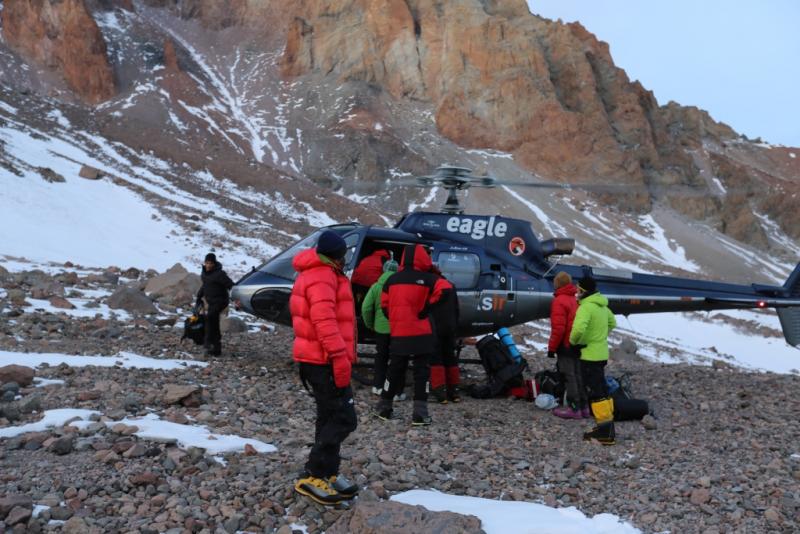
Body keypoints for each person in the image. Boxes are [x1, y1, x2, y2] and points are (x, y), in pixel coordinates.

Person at [289, 230, 359, 505]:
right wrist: (339, 355)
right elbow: (324, 320)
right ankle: (314, 473)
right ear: (339, 256)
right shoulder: (322, 275)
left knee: (329, 415)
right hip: (324, 359)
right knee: (344, 418)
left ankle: (327, 472)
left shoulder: (317, 271)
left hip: (317, 358)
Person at [375, 244, 447, 426]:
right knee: (421, 373)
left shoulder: (392, 280)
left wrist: (393, 318)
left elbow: (384, 305)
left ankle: (384, 408)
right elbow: (446, 289)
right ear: (423, 258)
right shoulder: (429, 279)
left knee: (394, 370)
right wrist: (427, 308)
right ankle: (419, 414)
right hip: (422, 333)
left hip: (399, 332)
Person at [570, 276, 617, 445]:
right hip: (601, 353)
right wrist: (599, 336)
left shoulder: (586, 308)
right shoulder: (602, 306)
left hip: (588, 355)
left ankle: (605, 433)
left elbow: (578, 329)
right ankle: (606, 427)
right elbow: (613, 323)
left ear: (583, 291)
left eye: (578, 289)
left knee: (596, 393)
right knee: (602, 390)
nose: (576, 292)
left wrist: (575, 342)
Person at [547, 272, 588, 419]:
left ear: (557, 283)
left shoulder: (559, 301)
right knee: (578, 375)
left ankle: (574, 408)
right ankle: (584, 407)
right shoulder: (575, 300)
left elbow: (559, 328)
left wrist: (552, 348)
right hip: (577, 344)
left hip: (566, 345)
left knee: (569, 375)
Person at [361, 258, 403, 396]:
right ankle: (395, 391)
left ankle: (378, 386)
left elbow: (366, 308)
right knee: (397, 359)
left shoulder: (376, 286)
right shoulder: (401, 287)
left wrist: (369, 324)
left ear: (383, 270)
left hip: (380, 329)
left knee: (381, 357)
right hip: (398, 329)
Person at [429, 268, 461, 404]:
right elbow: (456, 309)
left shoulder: (430, 285)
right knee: (450, 357)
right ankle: (454, 391)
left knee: (436, 359)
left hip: (435, 327)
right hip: (450, 327)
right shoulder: (450, 285)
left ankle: (440, 392)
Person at [195, 252, 234, 357]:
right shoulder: (204, 273)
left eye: (210, 263)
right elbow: (205, 285)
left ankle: (208, 344)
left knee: (210, 318)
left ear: (214, 263)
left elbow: (231, 285)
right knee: (214, 322)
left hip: (221, 301)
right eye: (207, 263)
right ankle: (216, 349)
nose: (208, 265)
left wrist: (237, 299)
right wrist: (199, 295)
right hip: (212, 302)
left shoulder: (219, 274)